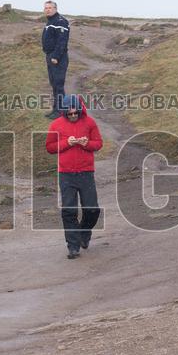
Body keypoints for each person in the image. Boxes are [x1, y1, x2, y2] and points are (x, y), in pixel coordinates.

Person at [45, 94, 102, 259]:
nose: (73, 116)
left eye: (75, 113)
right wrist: (66, 143)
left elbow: (98, 143)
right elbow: (49, 147)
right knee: (69, 211)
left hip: (86, 173)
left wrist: (87, 144)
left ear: (80, 110)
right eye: (69, 114)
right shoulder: (56, 125)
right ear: (64, 112)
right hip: (66, 174)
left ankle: (84, 233)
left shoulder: (90, 122)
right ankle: (73, 246)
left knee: (92, 209)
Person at [41, 1, 70, 118]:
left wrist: (55, 56)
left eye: (50, 8)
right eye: (46, 8)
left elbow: (62, 41)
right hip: (50, 56)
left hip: (58, 58)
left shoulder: (61, 21)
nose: (47, 10)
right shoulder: (50, 21)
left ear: (55, 9)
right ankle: (55, 109)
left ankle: (61, 111)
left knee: (58, 85)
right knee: (53, 84)